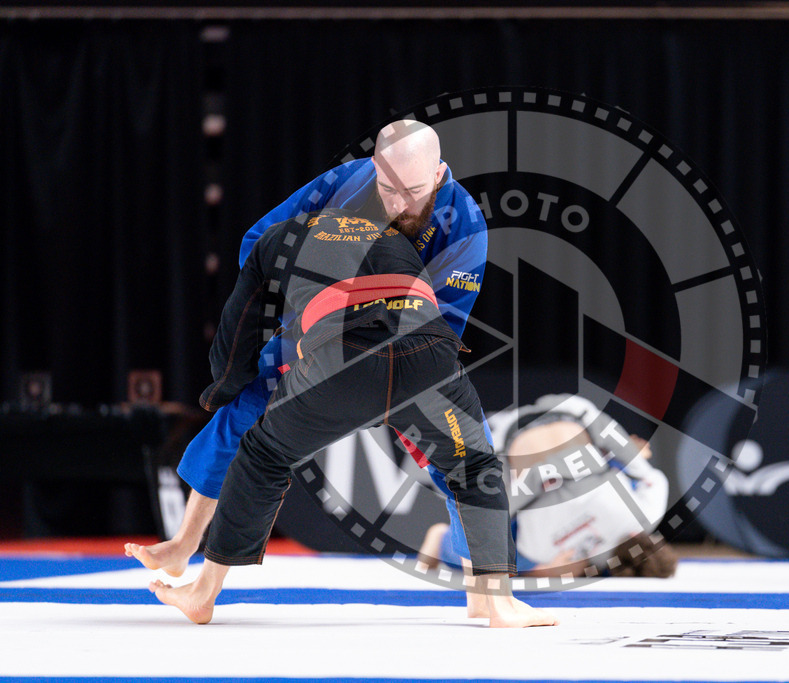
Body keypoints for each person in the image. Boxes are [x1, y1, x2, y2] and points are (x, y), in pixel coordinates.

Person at [147, 205, 557, 628]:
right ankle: (498, 602)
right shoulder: (396, 236)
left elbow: (237, 336)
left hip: (342, 361)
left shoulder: (272, 240)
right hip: (428, 355)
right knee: (475, 465)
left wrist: (221, 390)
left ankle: (204, 592)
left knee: (260, 456)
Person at [126, 121, 487, 580]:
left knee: (468, 448)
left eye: (413, 191)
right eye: (387, 188)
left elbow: (444, 326)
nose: (398, 204)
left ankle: (483, 583)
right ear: (374, 167)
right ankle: (184, 544)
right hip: (320, 333)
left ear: (438, 175)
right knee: (239, 413)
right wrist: (304, 318)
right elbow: (260, 245)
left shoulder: (466, 226)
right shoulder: (347, 183)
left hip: (405, 348)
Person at [418, 394, 676, 579]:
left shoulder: (646, 515)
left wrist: (632, 455)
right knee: (504, 555)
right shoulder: (569, 553)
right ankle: (442, 542)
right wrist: (543, 570)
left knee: (627, 471)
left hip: (570, 413)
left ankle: (452, 538)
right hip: (511, 445)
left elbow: (650, 477)